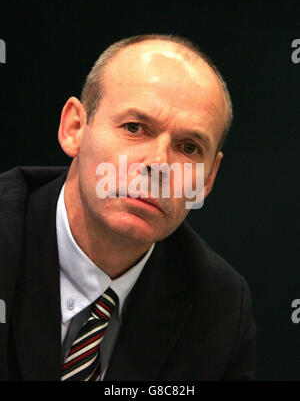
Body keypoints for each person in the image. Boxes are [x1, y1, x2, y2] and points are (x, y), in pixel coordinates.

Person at [0, 34, 256, 381]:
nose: (158, 165)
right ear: (74, 128)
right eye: (134, 128)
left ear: (208, 179)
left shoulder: (220, 307)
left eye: (189, 148)